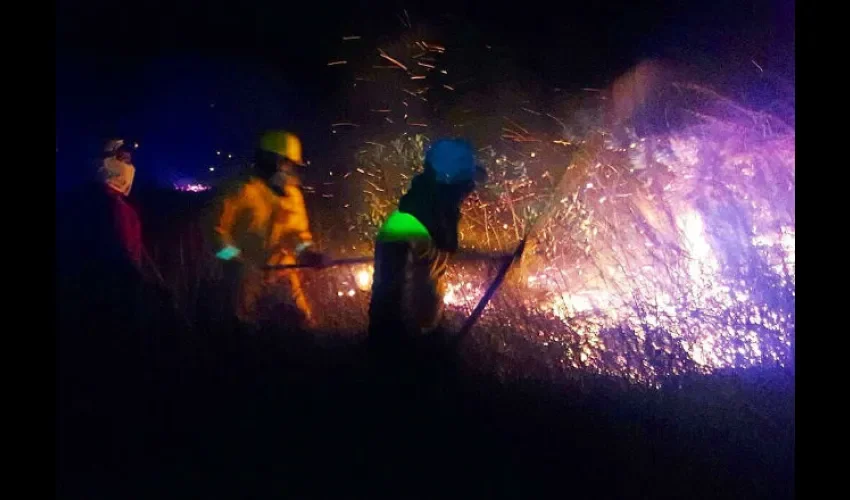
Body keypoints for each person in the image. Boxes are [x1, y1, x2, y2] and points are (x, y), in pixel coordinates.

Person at [368, 138, 486, 349]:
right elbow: (392, 299)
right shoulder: (406, 225)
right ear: (449, 182)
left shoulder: (434, 215)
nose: (470, 192)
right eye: (466, 184)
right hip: (403, 346)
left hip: (421, 335)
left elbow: (436, 258)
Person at [209, 130, 328, 328]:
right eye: (288, 164)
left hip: (283, 273)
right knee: (245, 329)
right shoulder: (241, 190)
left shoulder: (292, 195)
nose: (291, 171)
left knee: (304, 325)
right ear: (273, 161)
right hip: (244, 278)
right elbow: (215, 232)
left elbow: (297, 235)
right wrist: (235, 262)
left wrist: (307, 254)